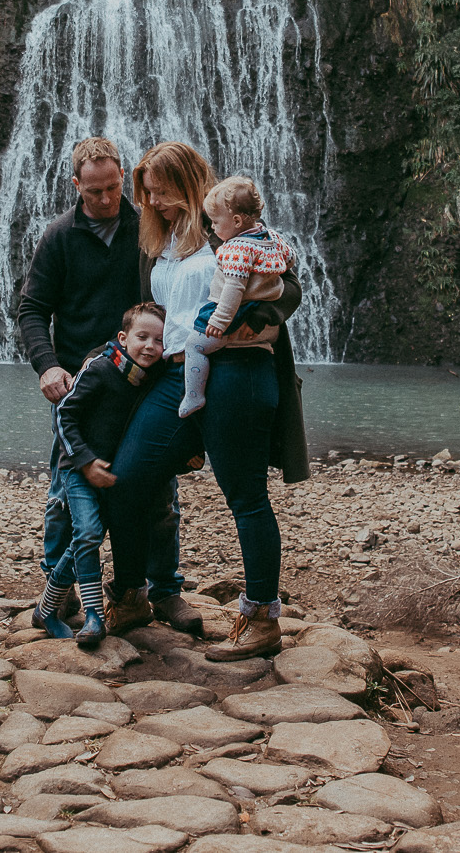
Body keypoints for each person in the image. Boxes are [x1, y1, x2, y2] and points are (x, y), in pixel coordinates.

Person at [101, 141, 308, 661]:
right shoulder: (161, 239)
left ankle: (261, 617)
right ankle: (130, 595)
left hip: (236, 372)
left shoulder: (231, 231)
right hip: (175, 373)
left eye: (164, 193)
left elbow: (289, 291)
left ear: (191, 186)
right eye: (148, 195)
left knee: (246, 497)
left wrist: (247, 322)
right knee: (128, 477)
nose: (155, 203)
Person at [16, 136, 202, 636]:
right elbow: (32, 311)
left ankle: (160, 590)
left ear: (124, 179)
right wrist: (48, 366)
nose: (104, 199)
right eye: (94, 191)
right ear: (76, 185)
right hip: (82, 386)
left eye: (113, 188)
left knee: (158, 493)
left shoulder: (148, 231)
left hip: (143, 382)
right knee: (64, 497)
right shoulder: (59, 237)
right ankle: (64, 591)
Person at [33, 302, 167, 647]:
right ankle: (93, 614)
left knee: (85, 537)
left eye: (159, 340)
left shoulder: (148, 380)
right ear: (123, 338)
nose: (151, 346)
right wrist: (85, 461)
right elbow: (64, 415)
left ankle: (47, 609)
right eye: (142, 337)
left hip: (110, 472)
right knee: (90, 532)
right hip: (79, 469)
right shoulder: (101, 368)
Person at [179, 176, 293, 418]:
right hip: (264, 322)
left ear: (237, 220)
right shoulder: (271, 238)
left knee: (194, 346)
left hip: (233, 316)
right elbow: (291, 259)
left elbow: (234, 288)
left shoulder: (236, 249)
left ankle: (194, 395)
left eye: (215, 222)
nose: (212, 228)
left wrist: (219, 322)